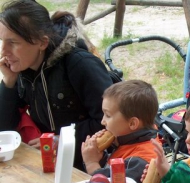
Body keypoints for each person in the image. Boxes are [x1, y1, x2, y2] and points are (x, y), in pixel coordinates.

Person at [0, 0, 113, 170]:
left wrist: (62, 140)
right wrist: (9, 82)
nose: (3, 51)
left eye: (13, 43)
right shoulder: (23, 70)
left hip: (89, 164)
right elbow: (4, 130)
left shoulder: (80, 65)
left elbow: (111, 123)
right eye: (2, 41)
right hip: (48, 161)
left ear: (42, 43)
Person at [81, 79, 160, 183]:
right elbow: (111, 171)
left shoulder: (139, 161)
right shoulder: (127, 140)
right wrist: (100, 158)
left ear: (132, 124)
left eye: (108, 115)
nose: (103, 121)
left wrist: (92, 164)